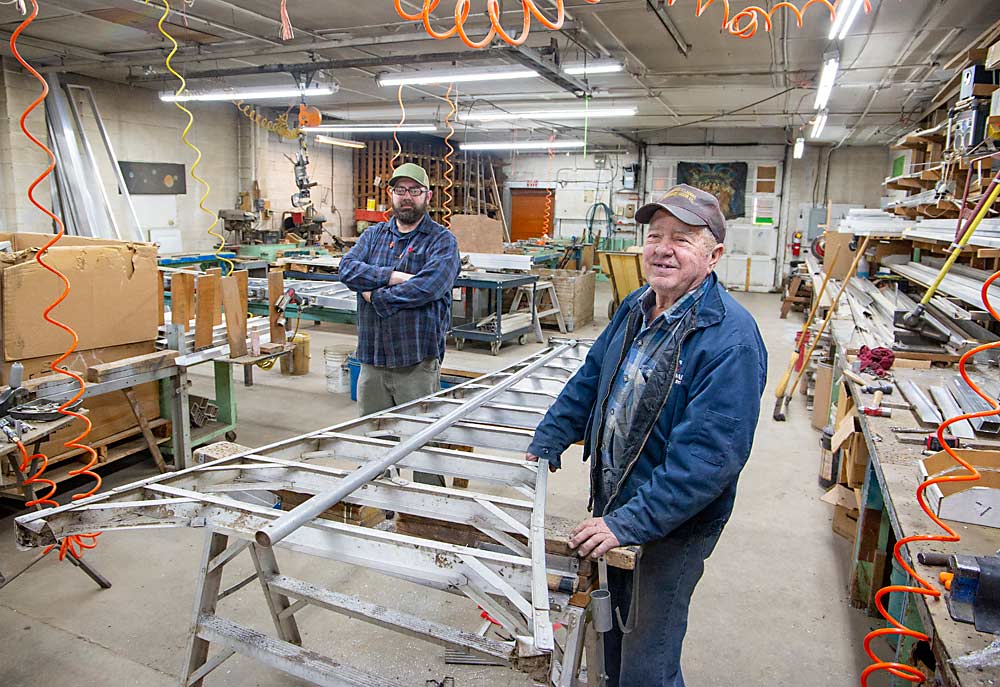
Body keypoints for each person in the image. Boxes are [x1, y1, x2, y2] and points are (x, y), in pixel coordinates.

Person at [526, 184, 767, 686]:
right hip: (617, 503)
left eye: (682, 238)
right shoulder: (638, 305)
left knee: (647, 658)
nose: (662, 247)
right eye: (654, 234)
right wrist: (551, 433)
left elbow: (708, 460)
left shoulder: (731, 341)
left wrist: (631, 522)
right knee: (612, 630)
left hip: (674, 525)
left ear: (714, 254)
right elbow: (594, 376)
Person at [339, 162, 460, 487]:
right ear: (391, 194)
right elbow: (347, 269)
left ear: (428, 195)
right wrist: (391, 277)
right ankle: (379, 502)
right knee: (373, 442)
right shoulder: (373, 236)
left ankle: (430, 511)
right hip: (373, 361)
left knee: (423, 445)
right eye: (401, 190)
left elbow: (429, 287)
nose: (407, 197)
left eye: (415, 191)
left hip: (415, 362)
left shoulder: (442, 242)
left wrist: (374, 297)